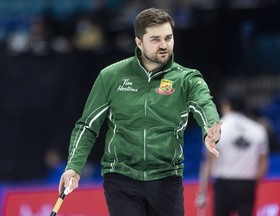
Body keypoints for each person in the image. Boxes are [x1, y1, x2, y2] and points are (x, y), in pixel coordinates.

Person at [58, 8, 222, 216]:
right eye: (155, 39)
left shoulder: (187, 78)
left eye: (168, 38)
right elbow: (88, 126)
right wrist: (74, 166)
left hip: (166, 178)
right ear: (139, 42)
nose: (164, 45)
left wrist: (210, 128)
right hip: (121, 178)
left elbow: (204, 104)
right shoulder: (111, 76)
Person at [195, 94, 269, 216]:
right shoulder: (258, 129)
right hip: (247, 184)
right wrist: (252, 184)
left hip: (224, 184)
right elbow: (263, 163)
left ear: (227, 106)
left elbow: (208, 161)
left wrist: (202, 191)